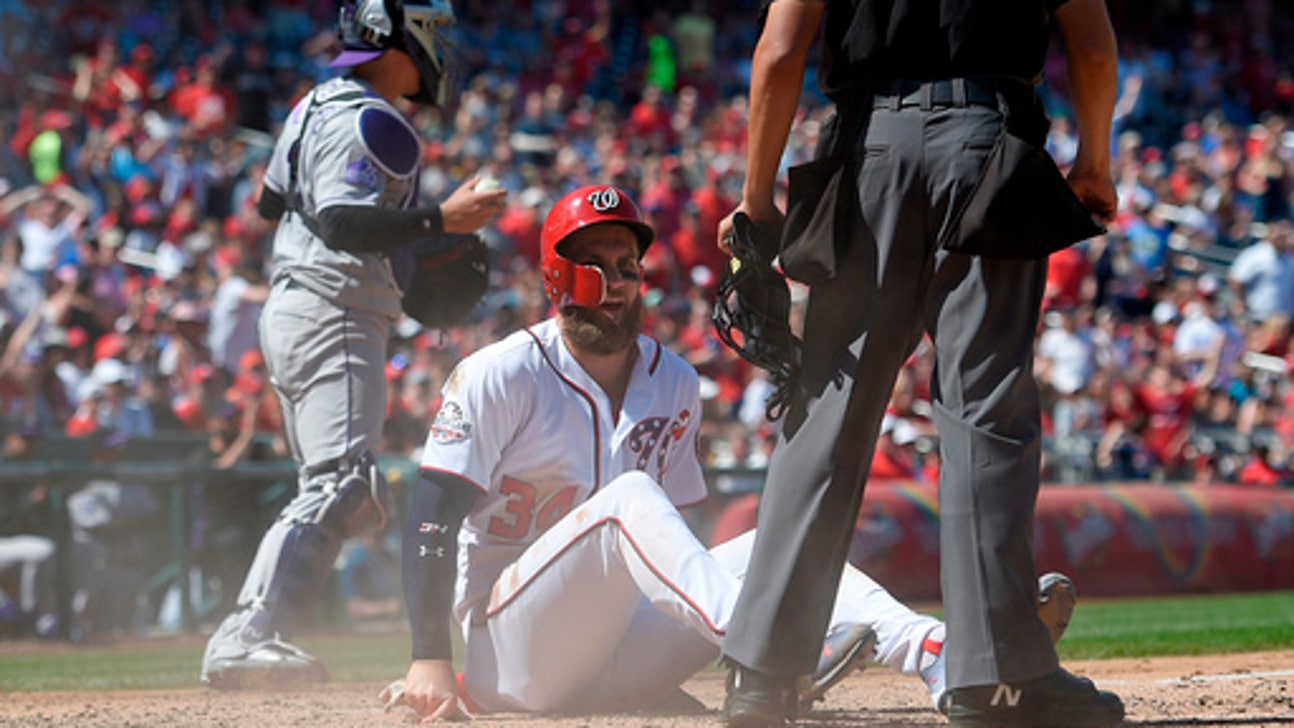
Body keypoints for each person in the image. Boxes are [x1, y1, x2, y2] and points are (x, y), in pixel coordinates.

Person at [388, 184, 1077, 721]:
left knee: (781, 542)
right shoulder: (500, 373)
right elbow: (429, 517)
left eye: (627, 263)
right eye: (592, 263)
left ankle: (939, 655)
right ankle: (765, 649)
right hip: (507, 655)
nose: (617, 279)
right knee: (626, 500)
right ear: (555, 278)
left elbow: (672, 548)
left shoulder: (675, 381)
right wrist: (427, 661)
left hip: (614, 656)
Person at [714, 1, 1123, 727]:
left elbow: (780, 51)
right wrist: (1094, 161)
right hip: (990, 143)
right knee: (984, 414)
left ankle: (763, 676)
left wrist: (756, 199)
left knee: (828, 414)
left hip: (867, 151)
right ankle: (992, 679)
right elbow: (1091, 43)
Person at [200, 0, 507, 689]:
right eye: (434, 33)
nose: (441, 49)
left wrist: (411, 245)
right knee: (343, 483)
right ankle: (248, 633)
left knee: (348, 489)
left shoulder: (315, 104)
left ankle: (259, 630)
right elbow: (341, 222)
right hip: (334, 310)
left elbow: (271, 204)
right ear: (400, 38)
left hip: (302, 306)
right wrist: (439, 219)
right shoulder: (374, 118)